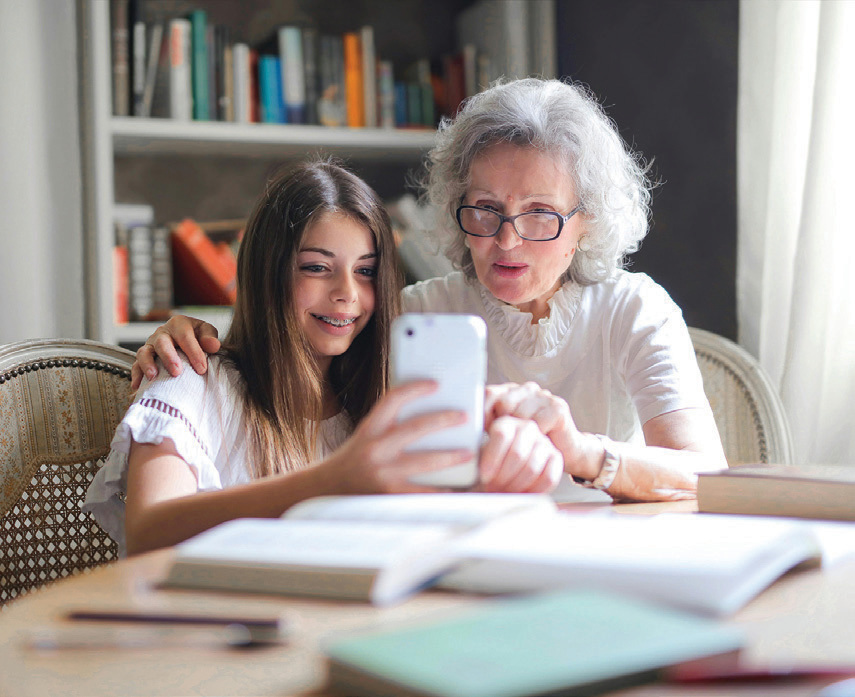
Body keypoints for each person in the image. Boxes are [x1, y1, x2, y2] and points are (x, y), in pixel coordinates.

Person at [132, 78, 727, 503]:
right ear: (454, 206)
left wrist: (581, 452)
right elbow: (293, 352)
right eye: (486, 210)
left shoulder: (634, 308)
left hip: (611, 564)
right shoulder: (414, 315)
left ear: (587, 222)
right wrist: (188, 334)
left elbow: (705, 474)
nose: (507, 241)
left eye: (541, 214)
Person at [85, 160, 562, 557]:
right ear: (267, 271)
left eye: (366, 272)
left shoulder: (381, 401)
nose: (347, 296)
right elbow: (148, 532)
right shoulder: (190, 378)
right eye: (317, 268)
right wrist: (335, 480)